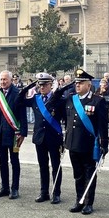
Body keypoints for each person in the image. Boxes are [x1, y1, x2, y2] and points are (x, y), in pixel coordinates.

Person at [63, 68, 108, 215]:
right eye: (76, 83)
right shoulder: (70, 99)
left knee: (89, 173)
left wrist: (104, 145)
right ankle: (79, 200)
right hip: (72, 143)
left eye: (81, 83)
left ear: (89, 85)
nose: (77, 85)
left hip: (89, 145)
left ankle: (88, 202)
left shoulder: (97, 101)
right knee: (78, 174)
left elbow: (102, 126)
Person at [17, 72, 66, 204]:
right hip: (40, 138)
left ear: (51, 85)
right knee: (43, 166)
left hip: (54, 138)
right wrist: (28, 87)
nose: (42, 87)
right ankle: (44, 192)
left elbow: (66, 119)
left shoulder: (58, 101)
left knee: (56, 166)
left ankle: (56, 193)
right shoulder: (35, 98)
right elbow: (19, 100)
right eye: (40, 85)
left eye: (44, 85)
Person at [0, 70, 27, 199]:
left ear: (11, 80)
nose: (2, 82)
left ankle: (15, 188)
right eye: (1, 79)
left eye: (5, 79)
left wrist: (23, 133)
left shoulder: (17, 94)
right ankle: (4, 187)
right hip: (0, 133)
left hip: (13, 134)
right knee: (2, 162)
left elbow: (23, 115)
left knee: (14, 161)